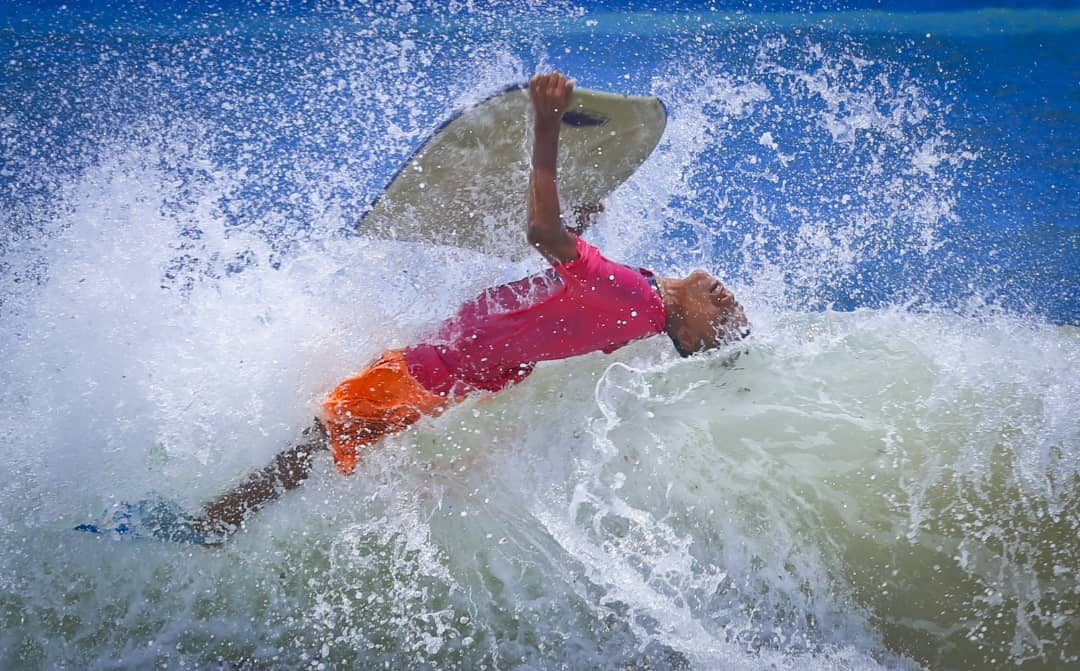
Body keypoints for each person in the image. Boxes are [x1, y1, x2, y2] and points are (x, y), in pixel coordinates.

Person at [189, 72, 748, 543]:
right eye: (734, 307)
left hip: (437, 370)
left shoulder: (635, 298)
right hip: (460, 370)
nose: (728, 300)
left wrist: (547, 127)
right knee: (336, 434)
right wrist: (580, 221)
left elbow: (541, 233)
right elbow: (565, 297)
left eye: (724, 319)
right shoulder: (639, 304)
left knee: (319, 435)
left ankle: (215, 523)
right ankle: (243, 520)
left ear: (691, 339)